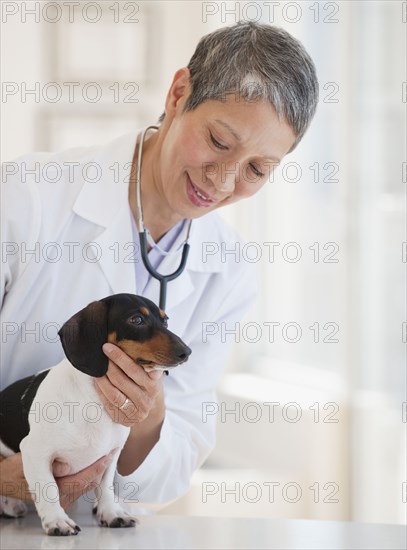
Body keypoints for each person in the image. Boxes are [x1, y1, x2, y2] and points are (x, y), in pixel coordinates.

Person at [0, 21, 318, 512]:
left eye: (257, 169)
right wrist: (6, 479)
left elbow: (176, 463)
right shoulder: (25, 200)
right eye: (218, 140)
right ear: (178, 94)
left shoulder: (228, 271)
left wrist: (146, 418)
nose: (223, 180)